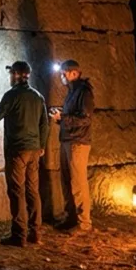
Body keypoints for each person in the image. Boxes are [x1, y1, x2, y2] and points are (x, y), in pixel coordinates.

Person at [0, 60, 50, 247]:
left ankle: (19, 236)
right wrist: (41, 146)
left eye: (11, 74)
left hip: (17, 150)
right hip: (34, 150)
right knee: (32, 191)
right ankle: (36, 233)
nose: (10, 77)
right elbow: (44, 124)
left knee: (17, 191)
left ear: (17, 75)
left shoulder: (11, 95)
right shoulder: (38, 97)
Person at [51, 58, 94, 232]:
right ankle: (71, 218)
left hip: (78, 142)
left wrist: (63, 118)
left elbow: (85, 119)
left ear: (74, 73)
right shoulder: (72, 92)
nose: (61, 77)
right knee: (67, 181)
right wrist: (61, 117)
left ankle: (83, 222)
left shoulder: (84, 92)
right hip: (68, 140)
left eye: (64, 73)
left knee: (78, 182)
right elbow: (73, 116)